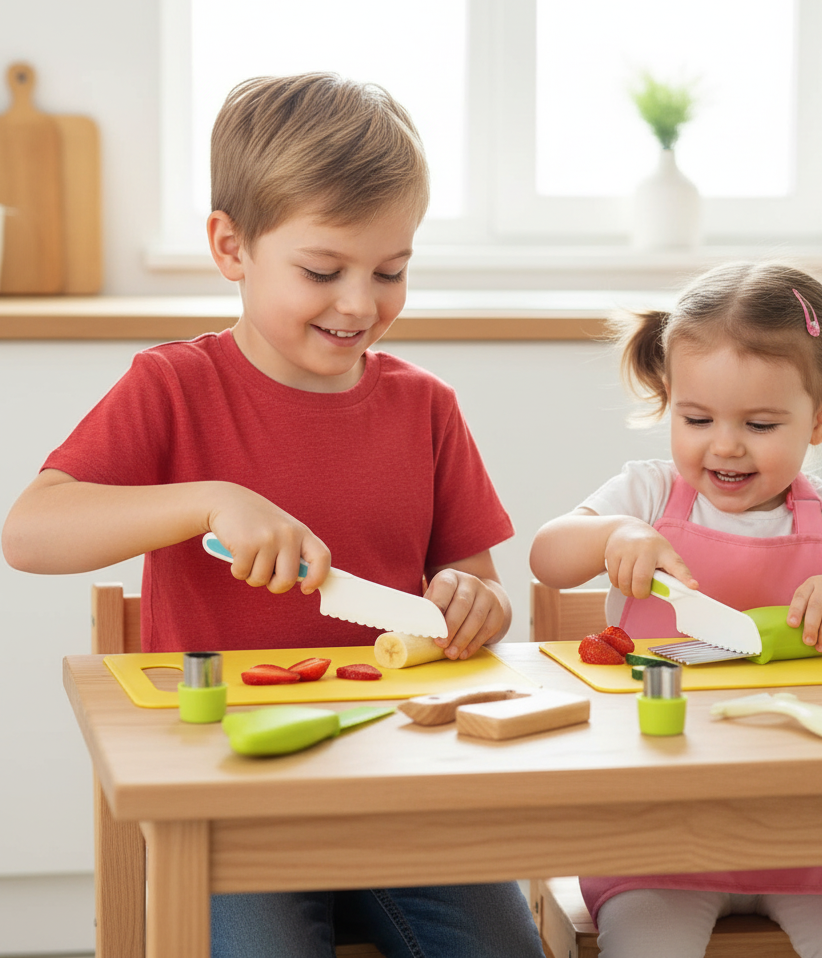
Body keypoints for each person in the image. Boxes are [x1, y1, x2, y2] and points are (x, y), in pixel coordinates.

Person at [2, 73, 544, 958]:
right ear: (231, 246)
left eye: (392, 271)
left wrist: (472, 601)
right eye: (324, 271)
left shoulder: (427, 407)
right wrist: (205, 500)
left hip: (401, 780)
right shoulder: (173, 387)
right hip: (227, 790)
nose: (361, 304)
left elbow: (475, 587)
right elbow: (28, 532)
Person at [530, 262, 822, 958]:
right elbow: (547, 555)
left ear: (820, 419)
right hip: (660, 837)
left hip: (820, 841)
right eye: (696, 418)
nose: (724, 444)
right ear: (669, 401)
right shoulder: (647, 493)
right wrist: (614, 534)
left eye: (758, 423)